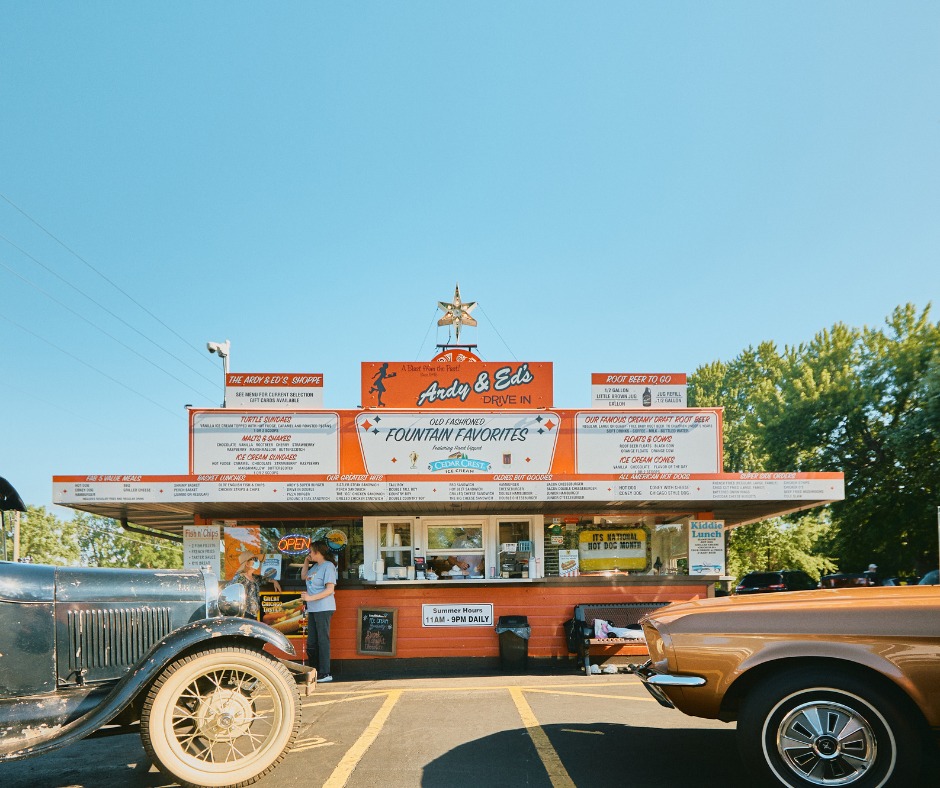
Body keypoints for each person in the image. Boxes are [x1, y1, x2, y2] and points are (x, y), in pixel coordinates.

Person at [301, 541, 337, 682]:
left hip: (324, 607)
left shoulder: (328, 566)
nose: (309, 553)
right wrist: (305, 562)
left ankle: (325, 673)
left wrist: (310, 597)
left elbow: (330, 589)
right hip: (314, 608)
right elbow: (304, 577)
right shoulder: (316, 567)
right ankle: (314, 670)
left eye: (310, 551)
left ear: (317, 552)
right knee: (312, 642)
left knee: (323, 640)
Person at [230, 550, 281, 619]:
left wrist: (274, 581)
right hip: (243, 615)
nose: (257, 561)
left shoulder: (254, 577)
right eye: (254, 559)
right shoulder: (239, 578)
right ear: (247, 564)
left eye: (256, 559)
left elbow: (264, 578)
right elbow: (230, 591)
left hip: (254, 615)